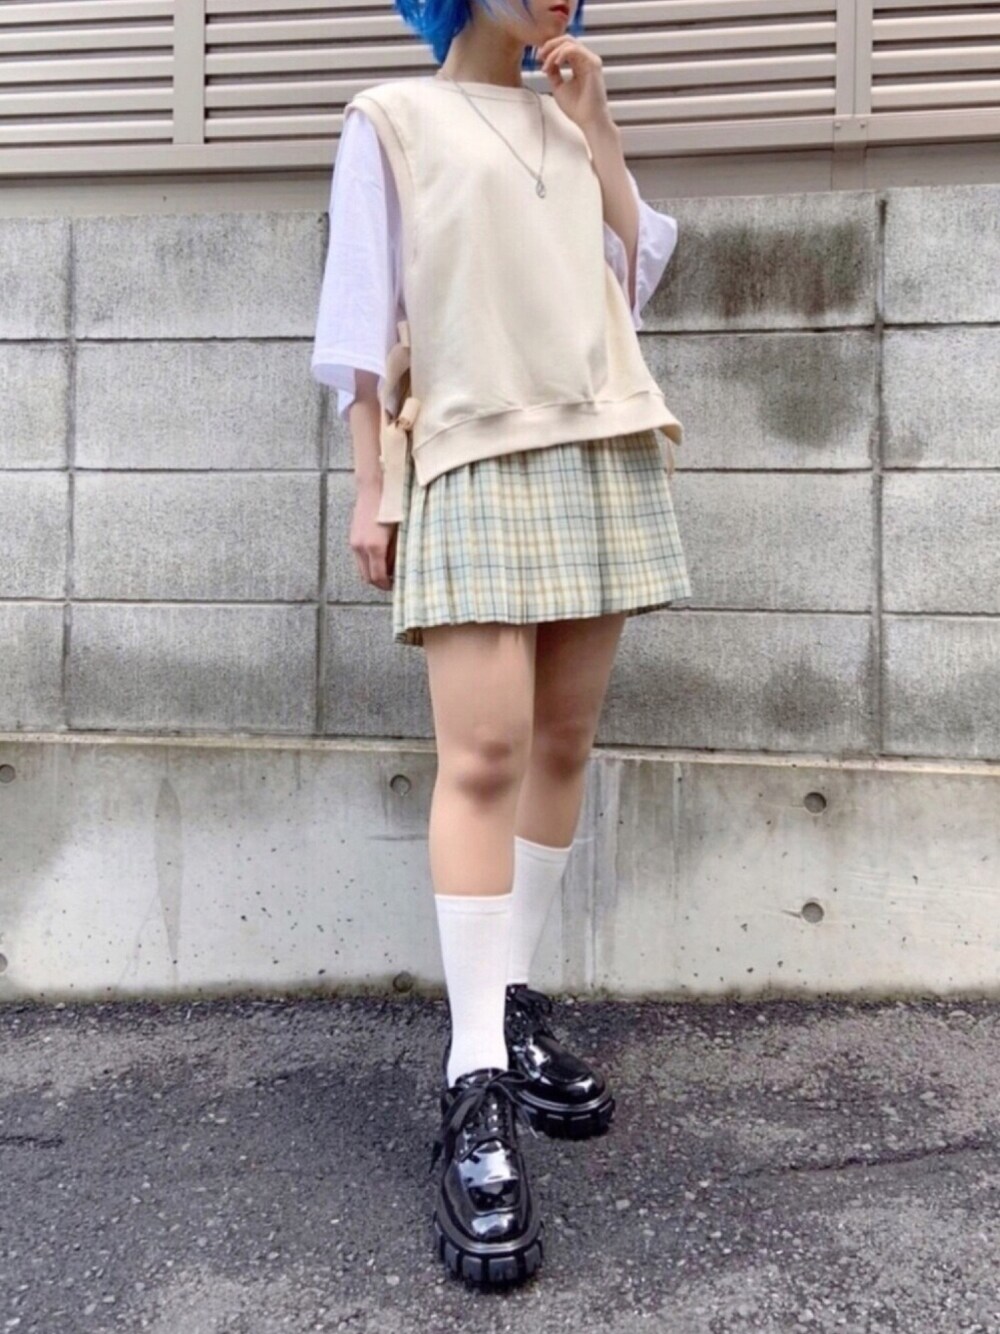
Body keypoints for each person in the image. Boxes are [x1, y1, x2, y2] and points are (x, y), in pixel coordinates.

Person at [310, 0, 693, 1289]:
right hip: (471, 448)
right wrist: (372, 487)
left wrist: (600, 126)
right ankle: (474, 1084)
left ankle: (511, 1001)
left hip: (601, 439)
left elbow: (628, 273)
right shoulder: (392, 118)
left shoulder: (568, 117)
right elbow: (360, 316)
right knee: (481, 757)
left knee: (563, 744)